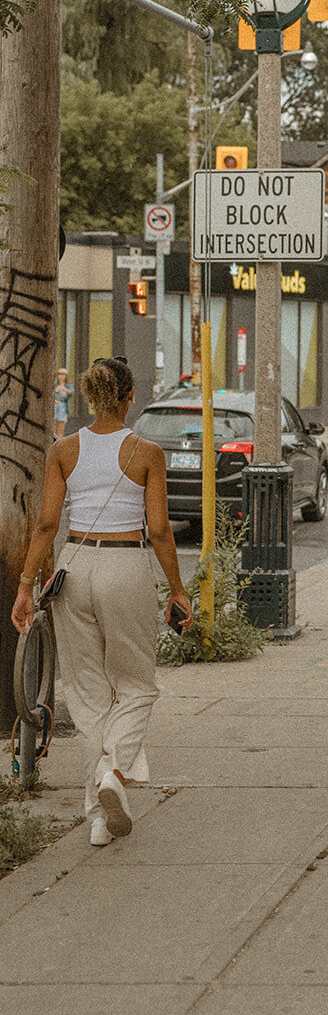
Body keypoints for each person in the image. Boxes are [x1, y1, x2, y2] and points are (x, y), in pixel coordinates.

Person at [11, 356, 192, 847]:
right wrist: (177, 589)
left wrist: (27, 585)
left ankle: (97, 815)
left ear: (90, 397)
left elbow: (47, 524)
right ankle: (114, 772)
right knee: (135, 685)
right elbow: (158, 530)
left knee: (89, 693)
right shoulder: (146, 452)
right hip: (124, 565)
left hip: (74, 566)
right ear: (130, 395)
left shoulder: (63, 450)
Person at [53, 367, 73, 440]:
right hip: (55, 404)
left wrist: (65, 389)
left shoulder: (68, 385)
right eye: (60, 374)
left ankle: (60, 440)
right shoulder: (55, 384)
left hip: (62, 405)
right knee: (53, 423)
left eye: (63, 374)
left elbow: (71, 393)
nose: (61, 376)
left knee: (61, 423)